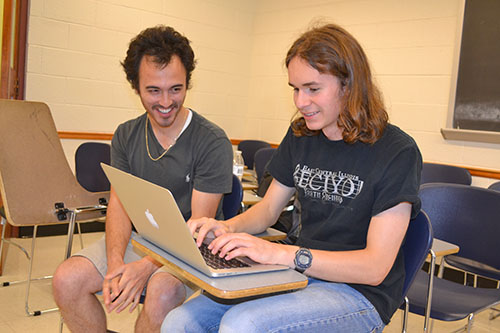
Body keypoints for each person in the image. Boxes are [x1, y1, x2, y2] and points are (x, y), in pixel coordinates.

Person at [162, 23, 422, 332]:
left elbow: (375, 267)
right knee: (179, 322)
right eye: (295, 89)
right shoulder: (301, 135)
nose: (300, 101)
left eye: (313, 89)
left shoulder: (397, 151)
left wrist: (282, 254)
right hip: (298, 274)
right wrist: (226, 227)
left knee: (243, 324)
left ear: (349, 85)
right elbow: (268, 210)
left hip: (359, 293)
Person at [52, 25, 233, 332]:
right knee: (66, 280)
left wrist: (145, 268)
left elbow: (198, 229)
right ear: (135, 86)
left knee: (161, 292)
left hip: (193, 250)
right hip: (145, 240)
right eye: (153, 90)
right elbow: (119, 206)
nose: (165, 102)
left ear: (188, 82)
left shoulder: (212, 141)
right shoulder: (126, 134)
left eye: (176, 89)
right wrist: (117, 264)